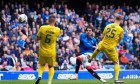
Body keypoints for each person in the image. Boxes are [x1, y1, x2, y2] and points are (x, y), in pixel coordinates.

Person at [89, 15, 124, 83]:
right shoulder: (120, 29)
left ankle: (90, 59)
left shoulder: (108, 26)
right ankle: (116, 79)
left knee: (98, 49)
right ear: (121, 21)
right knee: (116, 62)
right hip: (110, 47)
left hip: (103, 44)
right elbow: (118, 40)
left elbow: (102, 36)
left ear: (114, 19)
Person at [35, 15, 60, 84]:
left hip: (42, 51)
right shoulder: (57, 30)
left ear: (48, 21)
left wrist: (39, 39)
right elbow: (55, 37)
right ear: (55, 21)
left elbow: (37, 39)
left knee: (41, 65)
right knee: (51, 66)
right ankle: (49, 81)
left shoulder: (42, 28)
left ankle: (40, 76)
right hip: (51, 52)